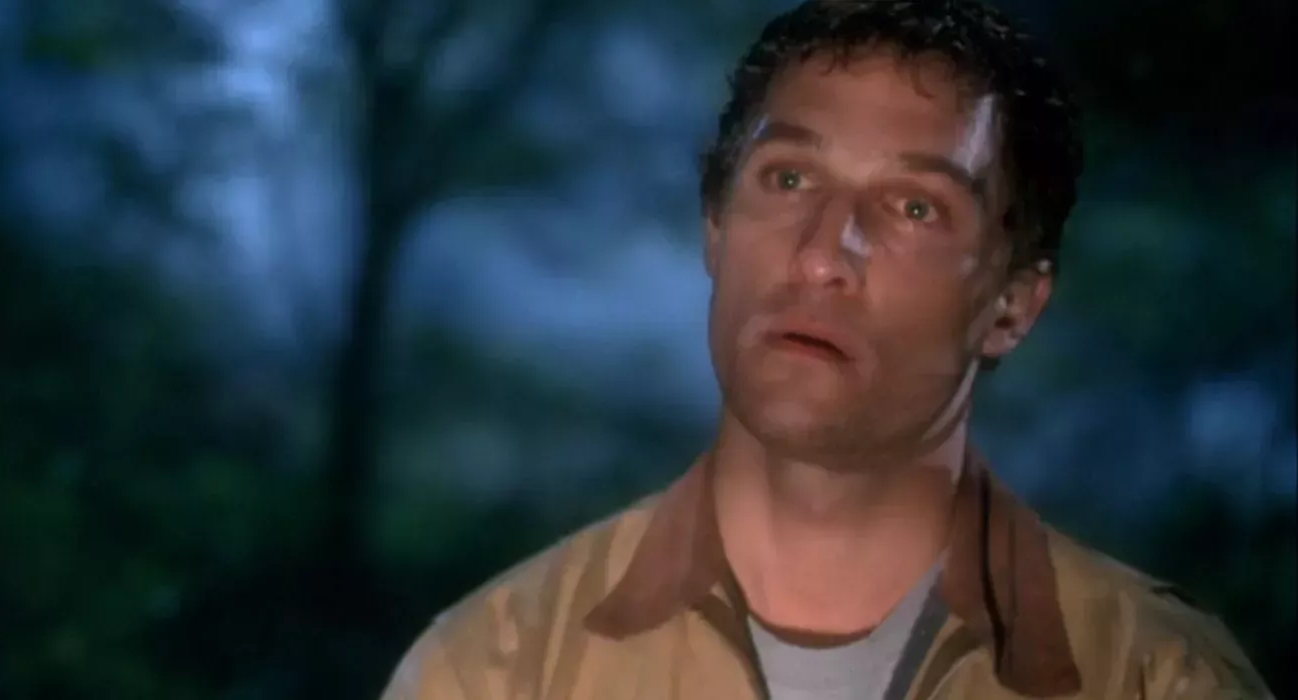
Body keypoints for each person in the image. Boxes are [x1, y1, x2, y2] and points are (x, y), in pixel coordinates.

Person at [380, 1, 1272, 698]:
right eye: (789, 178)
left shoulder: (1155, 678)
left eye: (915, 207)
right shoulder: (496, 668)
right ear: (716, 226)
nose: (820, 255)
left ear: (1011, 304)